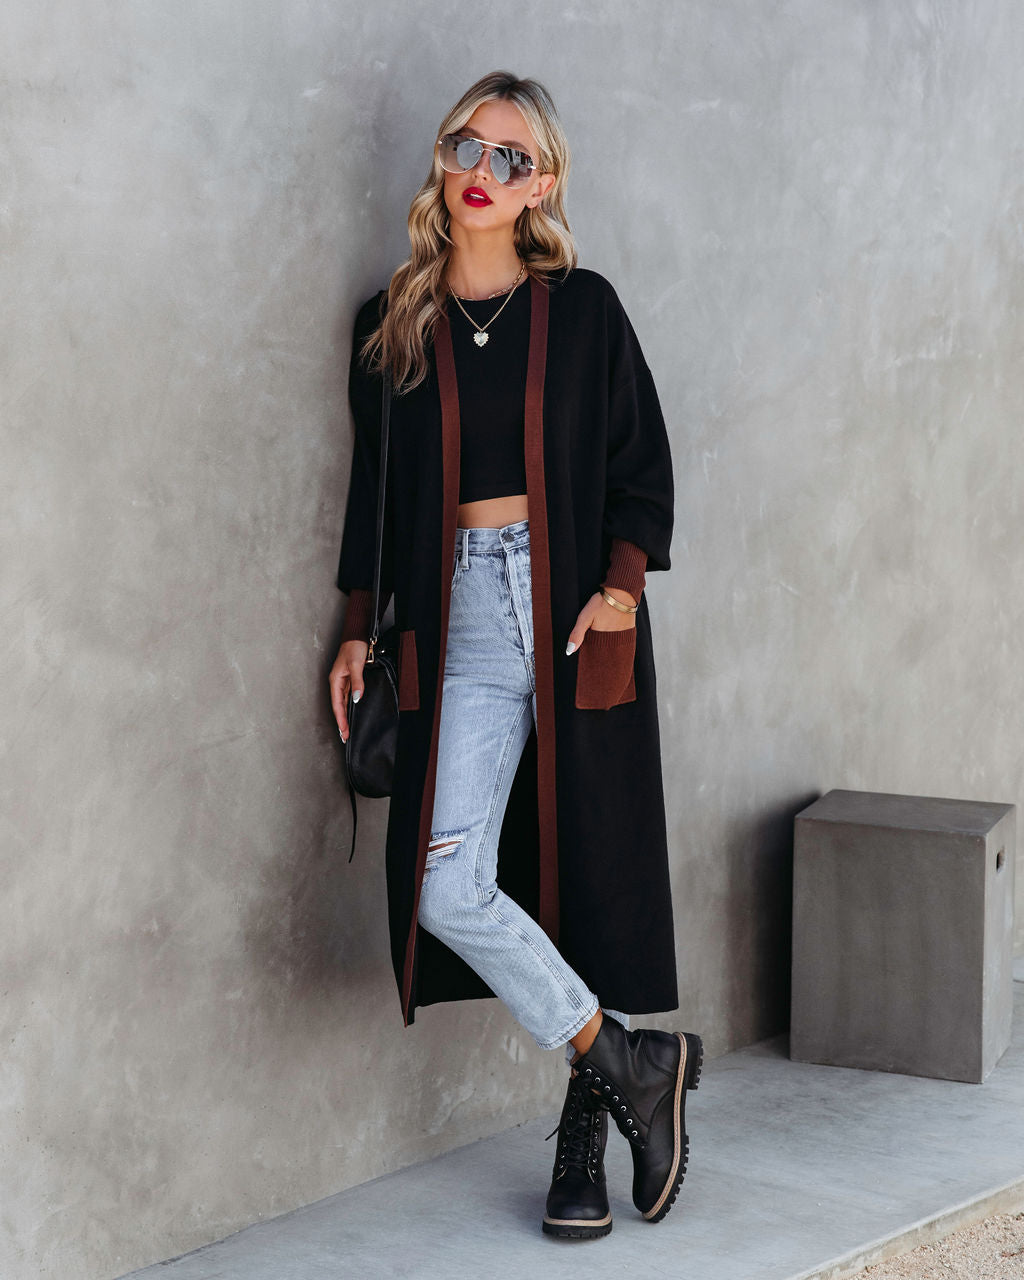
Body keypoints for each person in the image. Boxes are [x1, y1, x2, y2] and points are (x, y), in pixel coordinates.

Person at [329, 70, 702, 1240]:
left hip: (576, 605)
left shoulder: (582, 311)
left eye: (510, 158)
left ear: (541, 185)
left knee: (585, 871)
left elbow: (641, 464)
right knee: (449, 883)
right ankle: (624, 1057)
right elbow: (374, 497)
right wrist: (355, 624)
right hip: (460, 619)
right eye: (466, 147)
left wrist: (620, 591)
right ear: (443, 161)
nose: (481, 173)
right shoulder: (392, 322)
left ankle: (585, 1138)